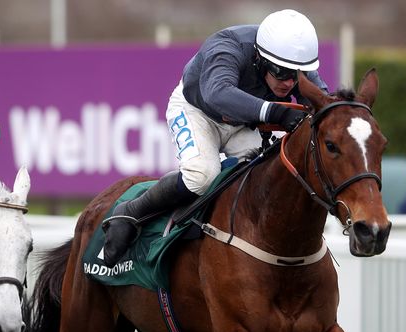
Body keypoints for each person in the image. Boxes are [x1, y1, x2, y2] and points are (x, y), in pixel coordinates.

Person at [102, 9, 329, 266]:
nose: (289, 83)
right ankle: (131, 212)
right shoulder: (227, 48)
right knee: (201, 175)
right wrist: (275, 111)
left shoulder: (289, 59)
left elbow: (323, 101)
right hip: (198, 112)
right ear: (260, 59)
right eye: (280, 72)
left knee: (268, 174)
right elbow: (218, 94)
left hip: (243, 122)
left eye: (295, 75)